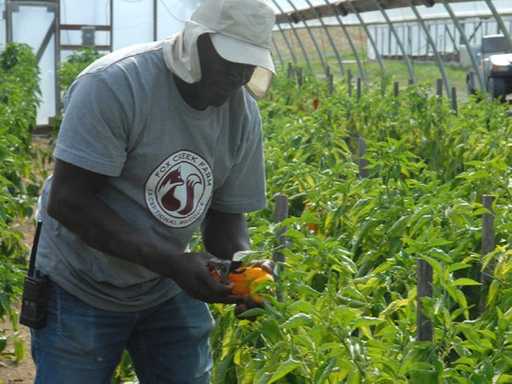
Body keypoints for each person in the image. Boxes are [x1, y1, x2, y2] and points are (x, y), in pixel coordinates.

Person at [29, 0, 276, 382]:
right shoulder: (116, 84)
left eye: (248, 64)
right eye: (230, 60)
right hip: (82, 280)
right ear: (197, 41)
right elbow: (70, 201)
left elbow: (226, 219)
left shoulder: (242, 116)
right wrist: (174, 262)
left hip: (165, 284)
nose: (237, 75)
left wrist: (245, 266)